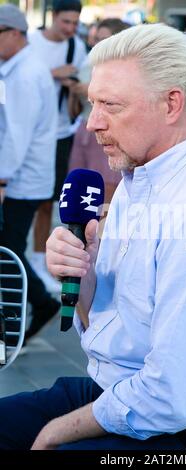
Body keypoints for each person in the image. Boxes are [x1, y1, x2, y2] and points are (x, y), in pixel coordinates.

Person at [0, 23, 186, 451]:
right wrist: (84, 273)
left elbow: (174, 396)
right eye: (92, 102)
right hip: (124, 390)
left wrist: (56, 432)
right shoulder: (142, 177)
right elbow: (116, 327)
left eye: (111, 105)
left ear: (172, 103)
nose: (92, 124)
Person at [0, 5, 60, 341]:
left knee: (8, 251)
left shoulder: (25, 74)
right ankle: (31, 306)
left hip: (20, 180)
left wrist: (1, 178)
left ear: (13, 34)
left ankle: (24, 313)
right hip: (20, 177)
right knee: (9, 249)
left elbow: (16, 135)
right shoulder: (16, 69)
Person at [29, 0, 87, 293]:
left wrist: (73, 83)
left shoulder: (75, 46)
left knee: (48, 201)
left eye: (75, 23)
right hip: (28, 131)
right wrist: (54, 74)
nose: (70, 28)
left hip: (62, 130)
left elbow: (80, 81)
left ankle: (38, 259)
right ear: (52, 17)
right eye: (66, 22)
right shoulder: (28, 41)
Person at [67, 19, 129, 203]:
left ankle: (103, 231)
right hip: (83, 129)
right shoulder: (88, 65)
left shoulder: (125, 69)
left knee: (106, 191)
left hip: (108, 132)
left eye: (104, 39)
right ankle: (79, 232)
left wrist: (85, 89)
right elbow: (74, 110)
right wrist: (73, 90)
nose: (96, 44)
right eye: (96, 39)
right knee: (77, 190)